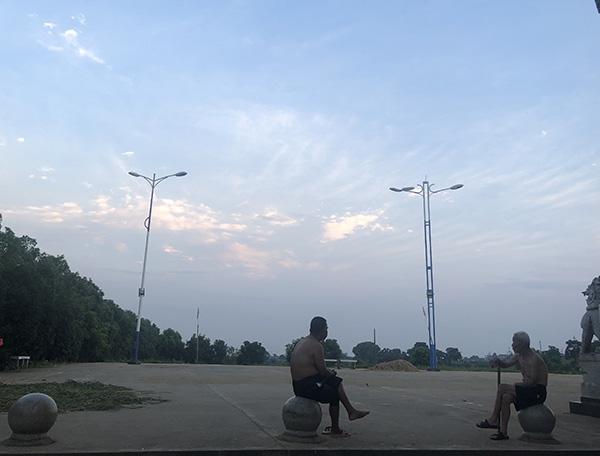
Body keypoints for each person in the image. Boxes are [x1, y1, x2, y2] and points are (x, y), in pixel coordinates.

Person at [290, 316, 369, 436]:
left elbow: (314, 369)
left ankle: (351, 411)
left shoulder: (303, 342)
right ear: (322, 330)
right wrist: (330, 373)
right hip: (307, 387)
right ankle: (337, 427)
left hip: (299, 384)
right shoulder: (316, 345)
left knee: (336, 382)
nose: (327, 332)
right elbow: (322, 371)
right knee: (334, 393)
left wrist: (329, 374)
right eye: (326, 328)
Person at [476, 331, 548, 440]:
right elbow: (506, 364)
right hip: (527, 390)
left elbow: (532, 382)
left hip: (537, 392)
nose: (512, 345)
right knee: (506, 398)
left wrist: (515, 385)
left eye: (515, 342)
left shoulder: (534, 359)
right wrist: (498, 362)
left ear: (523, 343)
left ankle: (493, 419)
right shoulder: (519, 356)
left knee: (502, 387)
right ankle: (503, 432)